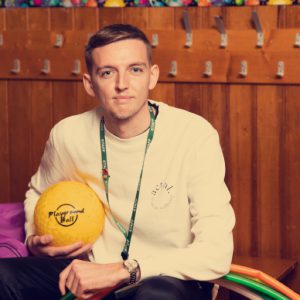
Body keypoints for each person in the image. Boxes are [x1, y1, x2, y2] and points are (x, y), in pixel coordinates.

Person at [0, 24, 235, 300]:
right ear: (90, 83)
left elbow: (217, 252)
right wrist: (33, 238)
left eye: (135, 69)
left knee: (155, 296)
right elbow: (38, 191)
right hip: (91, 272)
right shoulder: (68, 134)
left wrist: (125, 270)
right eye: (108, 72)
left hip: (168, 277)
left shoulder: (193, 135)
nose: (122, 84)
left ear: (152, 76)